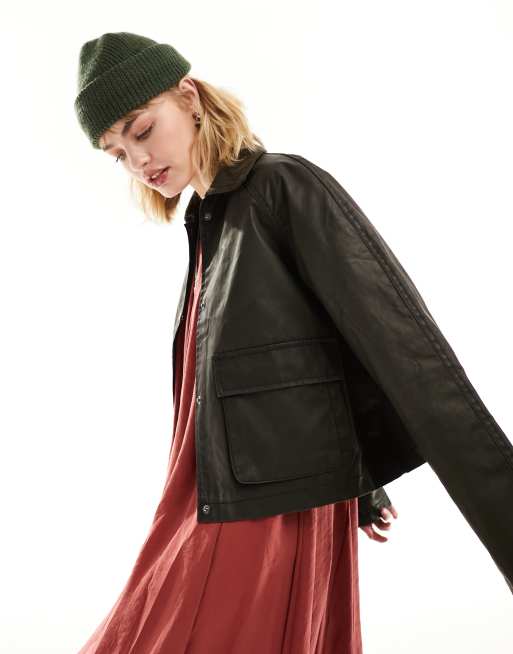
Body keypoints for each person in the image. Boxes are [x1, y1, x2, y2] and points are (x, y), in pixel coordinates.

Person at [74, 31, 513, 653]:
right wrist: (354, 478)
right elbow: (300, 357)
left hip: (257, 518)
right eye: (117, 154)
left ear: (189, 97)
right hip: (232, 498)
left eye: (142, 130)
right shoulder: (210, 223)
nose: (139, 160)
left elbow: (405, 349)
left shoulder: (282, 188)